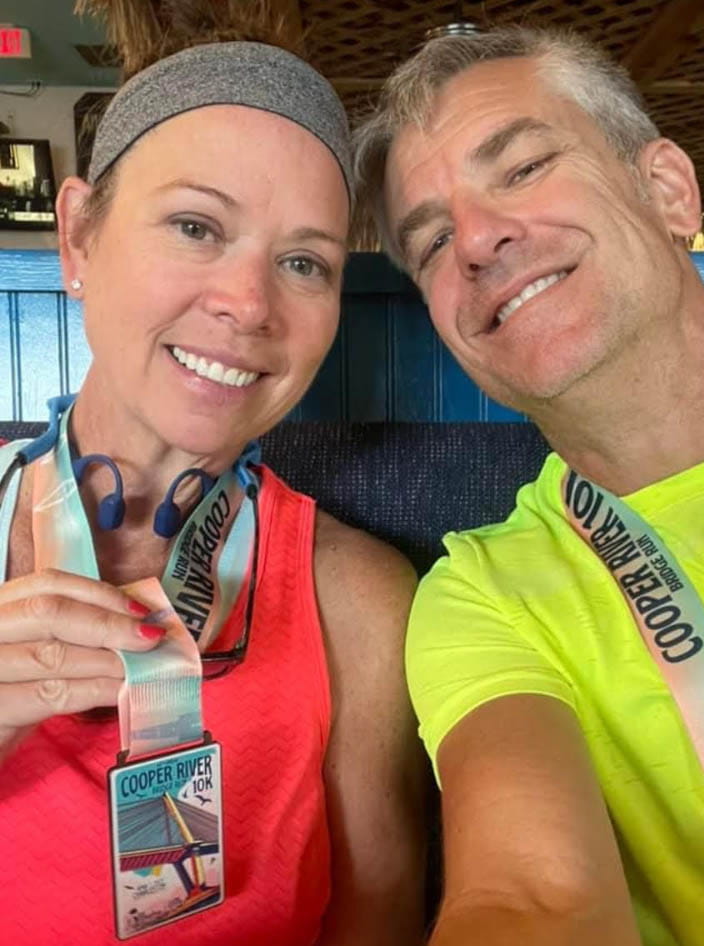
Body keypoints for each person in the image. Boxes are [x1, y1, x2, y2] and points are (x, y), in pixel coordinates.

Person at [353, 24, 704, 946]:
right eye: (431, 240)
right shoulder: (483, 596)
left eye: (519, 169)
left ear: (666, 189)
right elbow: (530, 899)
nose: (476, 241)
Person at [0, 4, 425, 945]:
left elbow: (379, 916)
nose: (246, 303)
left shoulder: (358, 601)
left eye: (304, 261)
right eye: (196, 225)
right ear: (78, 238)